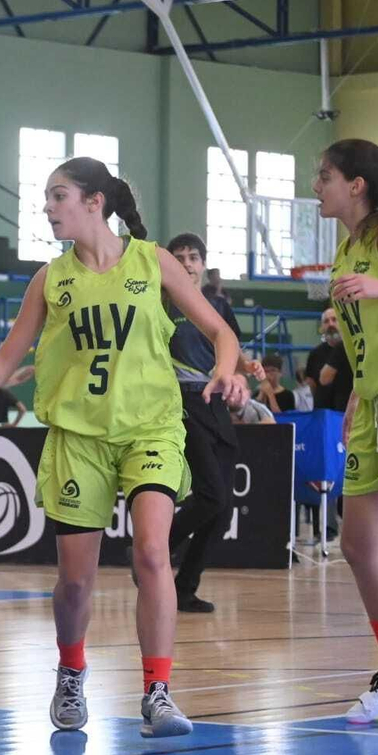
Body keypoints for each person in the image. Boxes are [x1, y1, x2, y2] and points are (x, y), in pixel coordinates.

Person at [0, 158, 247, 741]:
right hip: (79, 436)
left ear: (94, 202)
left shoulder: (152, 261)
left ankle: (158, 692)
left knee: (152, 554)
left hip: (151, 428)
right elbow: (4, 362)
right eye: (47, 197)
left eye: (58, 195)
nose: (48, 207)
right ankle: (71, 671)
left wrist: (227, 370)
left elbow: (220, 332)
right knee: (76, 581)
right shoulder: (50, 280)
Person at [160, 232, 264, 614]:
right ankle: (150, 551)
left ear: (203, 264)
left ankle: (185, 588)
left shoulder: (217, 305)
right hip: (179, 402)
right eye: (179, 257)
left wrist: (246, 367)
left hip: (215, 403)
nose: (187, 264)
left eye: (193, 257)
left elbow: (230, 349)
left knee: (220, 510)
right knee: (211, 495)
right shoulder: (159, 302)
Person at [314, 138, 378, 726]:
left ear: (356, 184)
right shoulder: (345, 249)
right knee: (357, 545)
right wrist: (360, 385)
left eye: (325, 175)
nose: (317, 186)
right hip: (371, 401)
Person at [305, 307, 353, 411]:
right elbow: (311, 383)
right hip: (323, 411)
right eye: (326, 321)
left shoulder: (352, 350)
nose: (331, 324)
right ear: (322, 327)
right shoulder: (315, 354)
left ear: (342, 323)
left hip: (346, 409)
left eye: (334, 319)